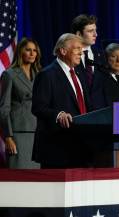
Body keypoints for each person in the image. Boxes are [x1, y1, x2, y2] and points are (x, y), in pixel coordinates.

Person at [32, 33, 91, 168]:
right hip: (56, 147)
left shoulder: (79, 75)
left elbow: (86, 106)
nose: (80, 53)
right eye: (77, 49)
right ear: (63, 51)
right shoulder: (47, 74)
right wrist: (58, 115)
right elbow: (38, 107)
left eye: (81, 50)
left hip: (80, 145)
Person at [0, 38, 41, 169]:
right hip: (18, 134)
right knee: (20, 180)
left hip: (38, 134)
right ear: (20, 52)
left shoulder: (40, 75)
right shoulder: (9, 74)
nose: (32, 53)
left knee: (38, 180)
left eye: (34, 50)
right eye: (28, 50)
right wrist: (8, 137)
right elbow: (4, 109)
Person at [71, 14, 107, 110]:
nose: (96, 34)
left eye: (95, 30)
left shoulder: (102, 56)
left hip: (100, 114)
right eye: (91, 31)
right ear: (78, 34)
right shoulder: (69, 57)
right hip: (78, 113)